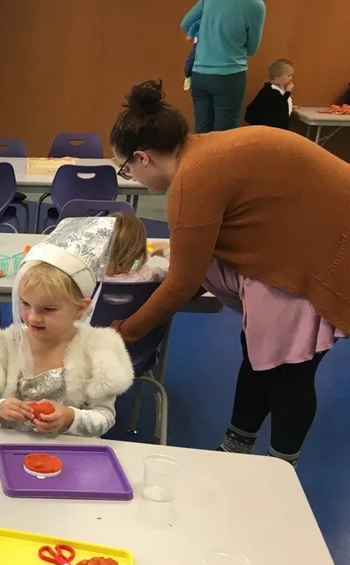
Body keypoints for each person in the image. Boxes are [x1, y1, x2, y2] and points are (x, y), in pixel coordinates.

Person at [109, 80, 349, 465]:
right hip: (298, 244)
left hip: (323, 250)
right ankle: (237, 446)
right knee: (259, 355)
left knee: (292, 371)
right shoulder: (200, 149)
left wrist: (123, 331)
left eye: (127, 169)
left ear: (143, 157)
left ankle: (280, 469)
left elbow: (183, 282)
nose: (132, 178)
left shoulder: (193, 178)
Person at [0, 218, 134, 438]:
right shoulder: (1, 346)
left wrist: (71, 417)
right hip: (10, 447)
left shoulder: (99, 351)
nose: (33, 317)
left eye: (48, 309)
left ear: (81, 308)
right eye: (25, 303)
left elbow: (105, 416)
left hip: (70, 449)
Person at [181, 0, 266, 132]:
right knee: (225, 134)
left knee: (202, 132)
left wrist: (204, 35)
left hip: (200, 73)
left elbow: (185, 24)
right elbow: (251, 49)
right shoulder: (255, 4)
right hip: (230, 75)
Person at [103, 212, 169, 284]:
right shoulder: (149, 276)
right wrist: (167, 250)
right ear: (140, 253)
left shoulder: (95, 278)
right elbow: (176, 275)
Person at [244, 59, 295, 130]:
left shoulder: (278, 88)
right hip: (271, 129)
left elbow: (280, 103)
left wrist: (290, 105)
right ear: (277, 76)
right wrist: (288, 92)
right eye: (288, 76)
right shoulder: (270, 91)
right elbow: (279, 106)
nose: (291, 78)